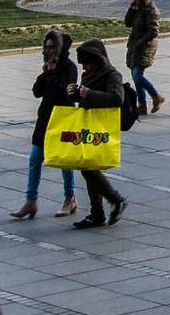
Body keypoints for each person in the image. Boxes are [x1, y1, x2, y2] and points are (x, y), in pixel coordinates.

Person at [10, 30, 78, 220]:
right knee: (35, 158)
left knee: (64, 161)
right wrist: (45, 73)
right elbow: (37, 91)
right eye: (46, 47)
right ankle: (31, 201)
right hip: (44, 120)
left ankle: (69, 198)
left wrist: (53, 72)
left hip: (62, 118)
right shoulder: (49, 67)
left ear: (59, 48)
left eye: (51, 47)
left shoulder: (69, 67)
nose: (48, 51)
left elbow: (62, 92)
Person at [65, 38, 128, 228]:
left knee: (88, 167)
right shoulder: (89, 75)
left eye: (87, 63)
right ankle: (97, 213)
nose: (84, 67)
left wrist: (88, 94)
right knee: (87, 167)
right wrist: (75, 93)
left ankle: (115, 200)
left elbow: (117, 98)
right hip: (88, 127)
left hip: (100, 129)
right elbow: (86, 94)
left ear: (97, 60)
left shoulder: (111, 75)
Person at [124, 0, 165, 116]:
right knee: (135, 76)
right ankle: (142, 105)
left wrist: (140, 44)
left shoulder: (151, 11)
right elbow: (127, 23)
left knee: (137, 75)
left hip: (145, 46)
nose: (134, 1)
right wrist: (131, 9)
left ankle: (156, 96)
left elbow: (153, 31)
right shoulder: (138, 9)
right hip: (135, 45)